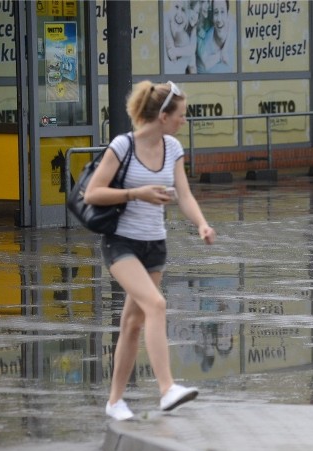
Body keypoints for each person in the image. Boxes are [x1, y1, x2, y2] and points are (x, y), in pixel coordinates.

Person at [85, 80, 217, 420]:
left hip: (154, 245)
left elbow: (183, 195)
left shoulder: (172, 148)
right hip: (121, 244)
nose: (183, 121)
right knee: (156, 305)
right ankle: (166, 389)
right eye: (180, 115)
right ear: (162, 115)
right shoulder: (122, 146)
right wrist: (135, 193)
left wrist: (201, 224)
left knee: (132, 323)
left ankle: (115, 402)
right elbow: (92, 194)